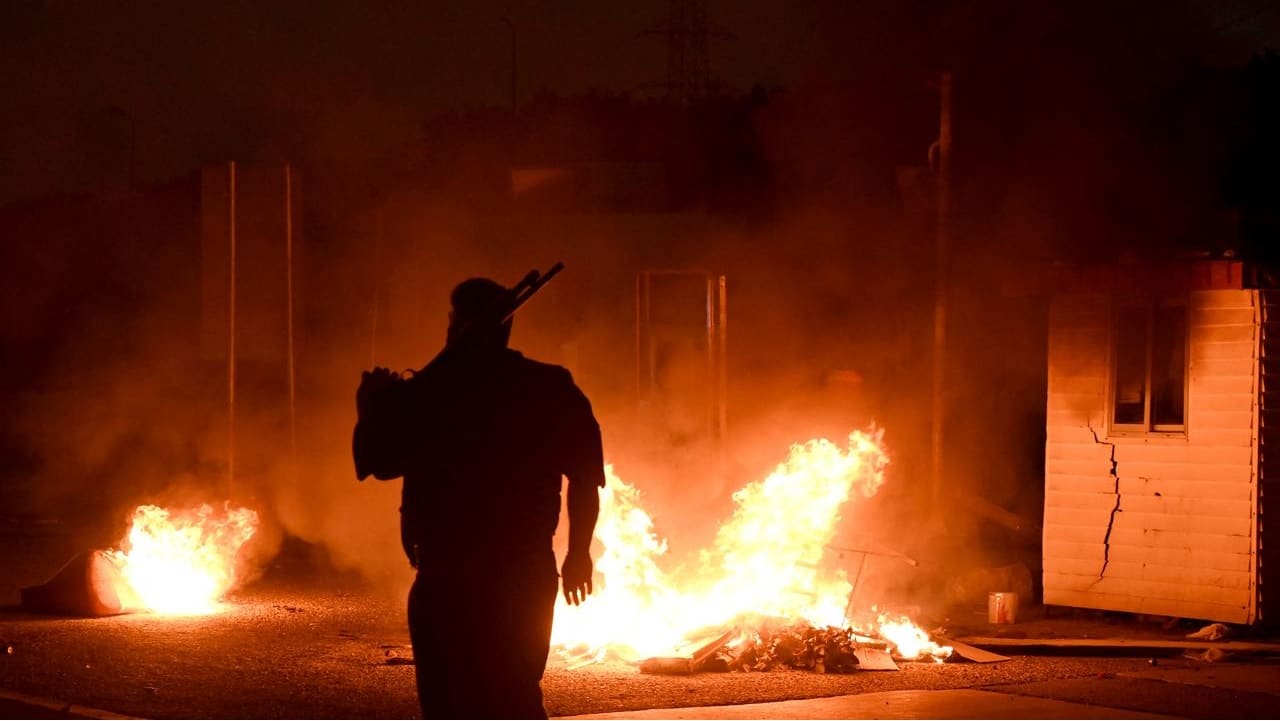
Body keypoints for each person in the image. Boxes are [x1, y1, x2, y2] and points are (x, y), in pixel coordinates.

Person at [385, 277, 604, 719]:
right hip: (513, 573)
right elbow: (584, 477)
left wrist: (372, 406)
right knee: (514, 694)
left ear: (462, 326)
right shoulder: (547, 386)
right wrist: (577, 553)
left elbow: (374, 459)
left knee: (460, 700)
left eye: (452, 321)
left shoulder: (434, 392)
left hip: (453, 575)